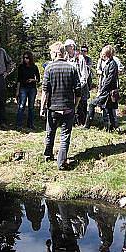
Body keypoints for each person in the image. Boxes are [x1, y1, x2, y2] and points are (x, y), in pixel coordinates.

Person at [40, 41, 81, 169]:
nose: (50, 55)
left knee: (50, 132)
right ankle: (61, 162)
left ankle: (48, 155)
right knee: (65, 136)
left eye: (51, 52)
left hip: (53, 108)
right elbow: (78, 91)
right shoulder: (72, 68)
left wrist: (42, 107)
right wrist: (75, 106)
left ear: (56, 53)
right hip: (68, 108)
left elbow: (45, 91)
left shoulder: (49, 68)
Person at [84, 45, 118, 132]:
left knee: (92, 104)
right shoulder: (109, 63)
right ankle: (112, 127)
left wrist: (102, 90)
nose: (102, 55)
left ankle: (87, 125)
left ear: (108, 54)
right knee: (109, 110)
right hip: (107, 91)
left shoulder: (112, 64)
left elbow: (109, 79)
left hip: (108, 92)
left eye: (104, 53)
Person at [65, 39, 90, 125]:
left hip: (80, 87)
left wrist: (80, 86)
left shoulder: (80, 58)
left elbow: (84, 74)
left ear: (72, 47)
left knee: (82, 105)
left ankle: (83, 123)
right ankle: (72, 122)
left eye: (67, 47)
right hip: (69, 87)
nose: (65, 49)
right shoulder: (65, 58)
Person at [15, 50, 40, 130]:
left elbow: (38, 79)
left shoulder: (34, 67)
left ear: (30, 58)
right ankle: (19, 124)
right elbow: (18, 80)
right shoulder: (21, 67)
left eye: (27, 58)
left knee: (31, 107)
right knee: (21, 106)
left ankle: (30, 124)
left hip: (32, 88)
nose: (25, 59)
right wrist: (17, 91)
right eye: (24, 58)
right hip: (23, 88)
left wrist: (32, 80)